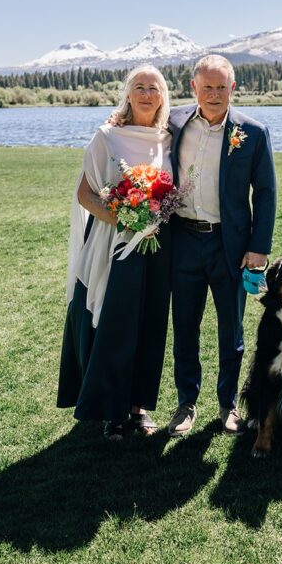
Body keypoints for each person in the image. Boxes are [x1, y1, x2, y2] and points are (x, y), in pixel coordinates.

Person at [56, 64, 172, 440]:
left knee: (149, 325)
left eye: (153, 88)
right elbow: (85, 195)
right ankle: (111, 411)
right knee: (114, 325)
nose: (146, 94)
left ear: (163, 95)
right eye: (138, 87)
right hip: (114, 244)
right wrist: (124, 219)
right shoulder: (107, 136)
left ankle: (138, 409)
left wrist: (148, 223)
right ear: (127, 93)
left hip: (156, 248)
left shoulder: (168, 138)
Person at [167, 54, 277, 438]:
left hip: (230, 246)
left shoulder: (254, 132)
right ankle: (186, 403)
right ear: (193, 87)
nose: (213, 95)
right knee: (185, 326)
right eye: (206, 87)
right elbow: (140, 128)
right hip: (182, 241)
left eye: (221, 87)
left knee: (232, 329)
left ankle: (228, 404)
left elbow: (265, 192)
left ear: (233, 89)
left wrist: (260, 247)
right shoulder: (175, 122)